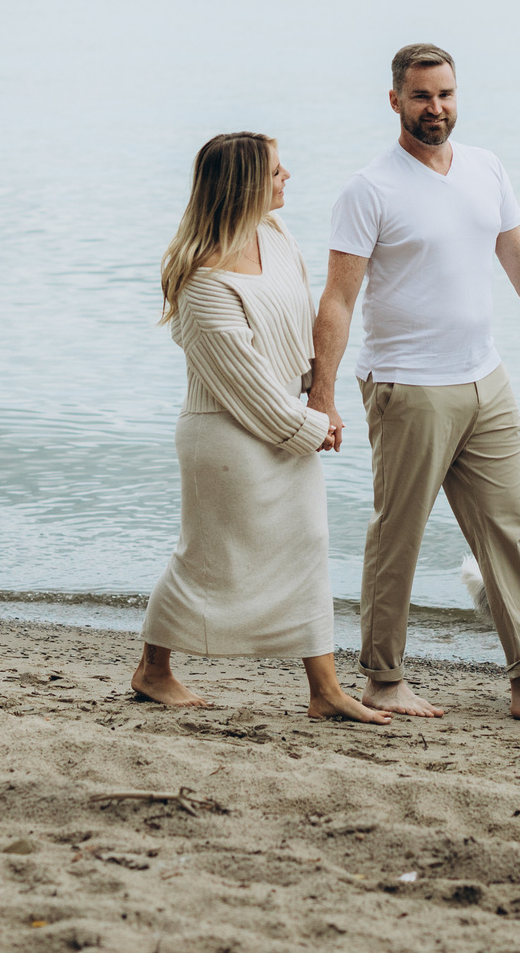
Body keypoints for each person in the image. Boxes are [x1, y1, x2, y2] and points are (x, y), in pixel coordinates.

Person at [315, 44, 520, 721]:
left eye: (447, 94)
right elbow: (337, 299)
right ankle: (382, 677)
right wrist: (323, 395)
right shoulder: (370, 189)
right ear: (394, 100)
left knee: (508, 531)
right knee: (399, 533)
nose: (437, 108)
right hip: (408, 387)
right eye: (422, 96)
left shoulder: (486, 169)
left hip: (486, 381)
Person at [133, 131, 391, 725]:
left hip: (285, 423)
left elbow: (298, 329)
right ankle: (153, 669)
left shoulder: (273, 237)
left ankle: (324, 690)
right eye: (277, 170)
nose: (288, 177)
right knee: (208, 557)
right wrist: (311, 428)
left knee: (309, 547)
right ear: (246, 182)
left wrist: (320, 396)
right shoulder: (201, 280)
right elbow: (244, 384)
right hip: (226, 438)